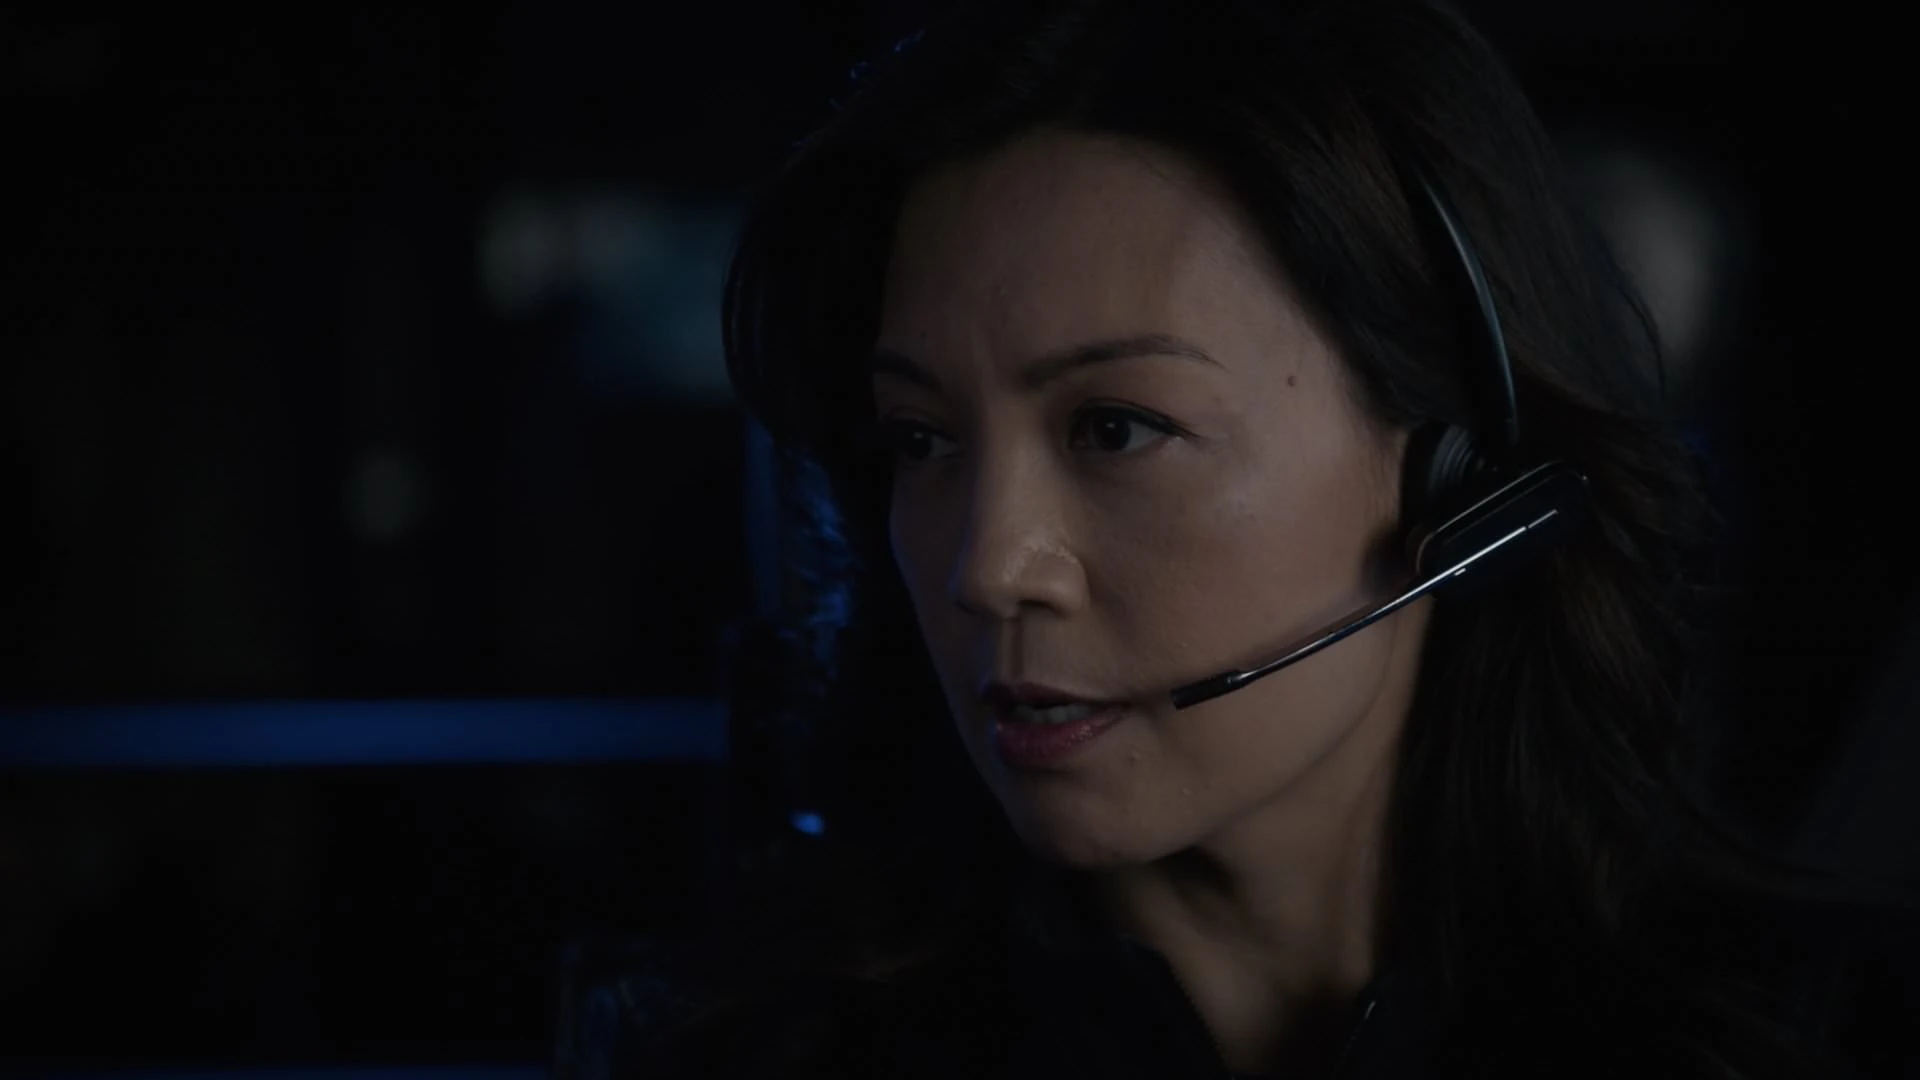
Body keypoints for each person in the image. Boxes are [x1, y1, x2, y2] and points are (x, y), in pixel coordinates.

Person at [562, 1, 1913, 1076]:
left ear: (1462, 473)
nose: (986, 568)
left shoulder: (1819, 1033)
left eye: (1116, 428)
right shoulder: (750, 1054)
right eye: (921, 439)